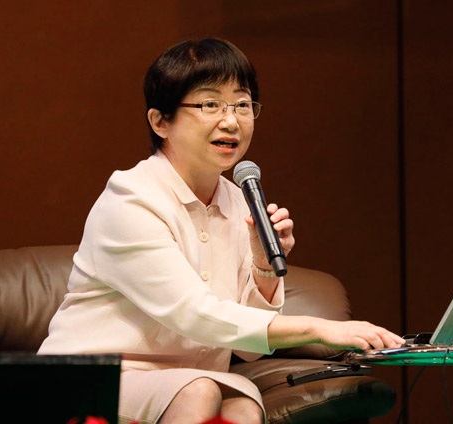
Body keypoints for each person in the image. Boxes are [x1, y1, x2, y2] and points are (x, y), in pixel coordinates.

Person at [37, 38, 404, 424]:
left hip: (187, 380)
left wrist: (263, 267)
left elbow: (246, 352)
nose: (231, 121)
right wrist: (322, 329)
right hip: (89, 380)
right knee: (200, 391)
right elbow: (195, 314)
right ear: (160, 121)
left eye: (242, 105)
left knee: (242, 400)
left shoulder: (240, 200)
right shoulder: (130, 200)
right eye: (210, 104)